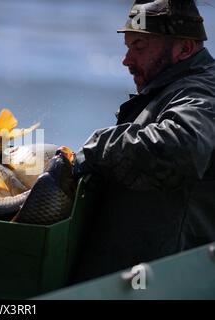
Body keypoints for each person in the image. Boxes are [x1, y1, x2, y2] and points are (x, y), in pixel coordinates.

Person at [72, 0, 215, 282]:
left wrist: (96, 148)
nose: (126, 59)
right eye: (127, 47)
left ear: (184, 48)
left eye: (139, 47)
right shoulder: (173, 87)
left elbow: (182, 145)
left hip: (167, 281)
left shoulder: (201, 90)